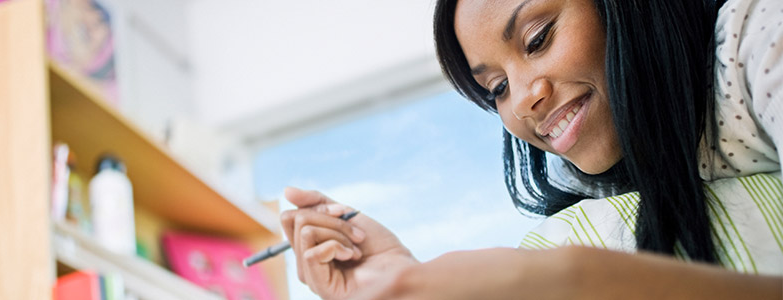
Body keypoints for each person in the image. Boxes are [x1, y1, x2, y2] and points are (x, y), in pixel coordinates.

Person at [280, 0, 783, 298]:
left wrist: (578, 278)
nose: (522, 101)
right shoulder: (591, 184)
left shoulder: (761, 38)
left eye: (538, 38)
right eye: (496, 87)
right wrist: (401, 272)